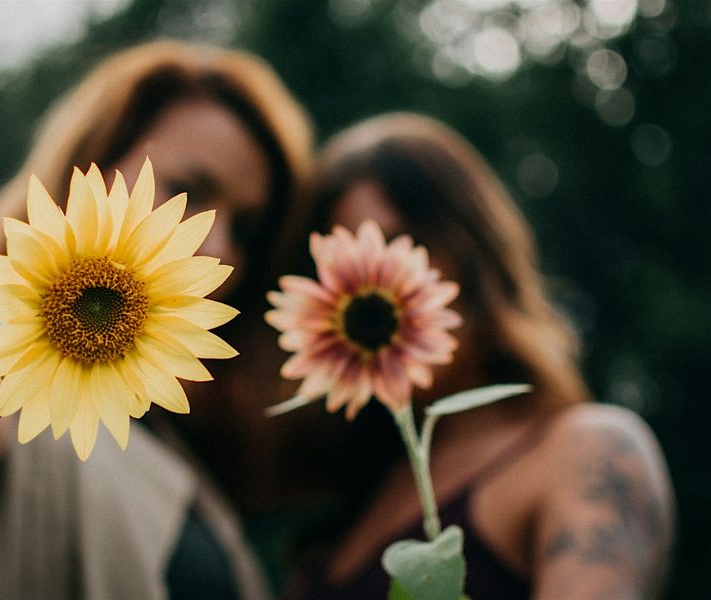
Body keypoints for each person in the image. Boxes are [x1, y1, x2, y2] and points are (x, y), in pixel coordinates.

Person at [0, 40, 314, 599]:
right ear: (90, 166)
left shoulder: (172, 440)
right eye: (187, 190)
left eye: (246, 230)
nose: (216, 244)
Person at [282, 113, 676, 599]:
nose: (376, 285)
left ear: (477, 253)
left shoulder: (585, 453)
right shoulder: (343, 515)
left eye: (406, 247)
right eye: (340, 271)